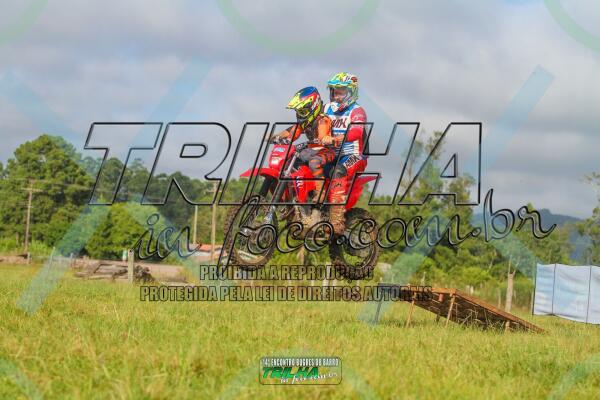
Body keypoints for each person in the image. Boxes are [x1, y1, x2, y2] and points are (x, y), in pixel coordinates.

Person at [321, 72, 368, 235]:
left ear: (351, 91)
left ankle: (336, 220)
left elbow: (356, 132)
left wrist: (337, 139)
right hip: (331, 154)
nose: (336, 94)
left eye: (340, 90)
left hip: (354, 155)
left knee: (338, 171)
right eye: (334, 90)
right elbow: (314, 124)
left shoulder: (357, 111)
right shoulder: (326, 108)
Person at [272, 86, 335, 203]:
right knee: (288, 162)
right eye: (298, 112)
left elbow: (322, 135)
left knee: (314, 163)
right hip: (309, 151)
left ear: (314, 106)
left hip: (325, 151)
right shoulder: (304, 123)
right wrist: (276, 137)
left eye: (303, 112)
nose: (300, 115)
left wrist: (323, 139)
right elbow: (293, 133)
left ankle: (320, 193)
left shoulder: (322, 120)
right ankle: (291, 194)